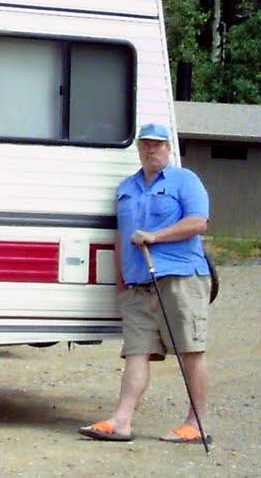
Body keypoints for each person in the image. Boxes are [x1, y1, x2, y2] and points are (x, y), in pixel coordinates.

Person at [80, 121, 213, 445]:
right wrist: (120, 281)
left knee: (189, 350)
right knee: (136, 353)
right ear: (138, 148)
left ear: (168, 148)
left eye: (157, 144)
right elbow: (121, 236)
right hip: (137, 283)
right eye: (145, 144)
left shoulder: (185, 180)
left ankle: (195, 424)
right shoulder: (127, 187)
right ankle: (121, 421)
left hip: (179, 277)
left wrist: (155, 237)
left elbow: (199, 222)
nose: (151, 149)